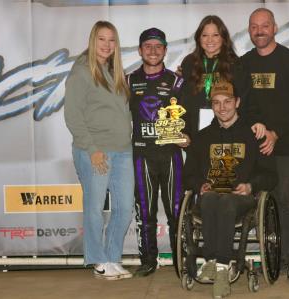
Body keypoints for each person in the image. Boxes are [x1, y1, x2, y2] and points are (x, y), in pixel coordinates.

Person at [237, 8, 289, 281]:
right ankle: (272, 259)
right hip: (254, 147)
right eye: (254, 26)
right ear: (249, 30)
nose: (260, 31)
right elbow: (240, 104)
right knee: (257, 205)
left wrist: (275, 134)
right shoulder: (243, 64)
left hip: (287, 146)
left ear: (275, 28)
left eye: (265, 25)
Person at [183, 81, 277, 299]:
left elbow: (271, 175)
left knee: (225, 201)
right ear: (212, 106)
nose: (222, 108)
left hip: (241, 199)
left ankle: (221, 267)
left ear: (237, 102)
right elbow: (188, 175)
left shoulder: (254, 135)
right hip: (212, 197)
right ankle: (213, 262)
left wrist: (251, 186)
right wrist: (200, 186)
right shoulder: (202, 137)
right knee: (208, 199)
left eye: (227, 102)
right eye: (216, 103)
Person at [64, 20, 134, 280]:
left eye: (111, 40)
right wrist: (92, 149)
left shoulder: (114, 72)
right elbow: (73, 115)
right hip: (94, 151)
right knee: (94, 208)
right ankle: (97, 259)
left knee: (125, 207)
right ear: (93, 41)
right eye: (102, 39)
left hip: (123, 151)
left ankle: (113, 257)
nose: (107, 45)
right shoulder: (81, 71)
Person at [126, 27, 189, 277]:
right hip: (142, 156)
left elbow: (191, 115)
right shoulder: (129, 80)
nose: (153, 51)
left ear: (165, 50)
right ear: (140, 50)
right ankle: (148, 260)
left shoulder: (176, 81)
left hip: (171, 155)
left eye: (158, 46)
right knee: (145, 211)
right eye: (148, 46)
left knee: (176, 211)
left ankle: (180, 261)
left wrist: (189, 136)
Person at [180, 15, 238, 139]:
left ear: (223, 38)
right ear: (198, 38)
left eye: (215, 35)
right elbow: (183, 99)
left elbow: (242, 99)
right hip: (194, 132)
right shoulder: (189, 62)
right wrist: (184, 131)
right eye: (205, 35)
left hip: (227, 132)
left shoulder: (235, 63)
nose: (210, 40)